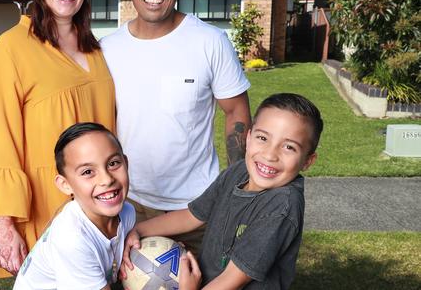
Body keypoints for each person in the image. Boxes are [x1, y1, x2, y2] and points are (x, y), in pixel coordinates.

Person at [100, 0, 251, 252]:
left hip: (197, 208)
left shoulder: (210, 42)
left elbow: (236, 113)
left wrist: (237, 187)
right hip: (128, 205)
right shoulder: (107, 49)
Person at [0, 0, 116, 278]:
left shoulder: (96, 50)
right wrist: (4, 223)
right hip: (46, 205)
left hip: (95, 203)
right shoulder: (11, 49)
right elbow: (3, 140)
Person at [122, 93, 324, 289]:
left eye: (289, 147)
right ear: (249, 136)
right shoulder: (238, 172)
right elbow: (193, 215)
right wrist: (140, 230)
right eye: (263, 138)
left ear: (307, 160)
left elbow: (233, 279)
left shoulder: (281, 206)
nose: (270, 155)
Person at [14, 122, 135, 290]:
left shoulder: (127, 213)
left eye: (113, 163)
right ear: (65, 184)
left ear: (126, 163)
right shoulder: (71, 238)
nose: (107, 179)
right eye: (87, 172)